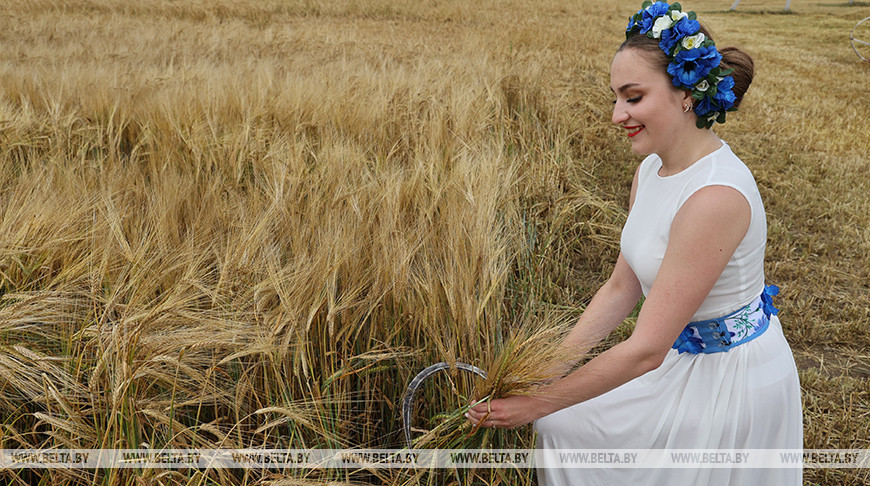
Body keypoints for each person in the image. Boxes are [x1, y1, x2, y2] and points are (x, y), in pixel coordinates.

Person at [465, 2, 802, 484]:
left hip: (730, 381)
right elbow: (620, 288)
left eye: (633, 97)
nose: (617, 114)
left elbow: (646, 349)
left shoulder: (715, 197)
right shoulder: (650, 171)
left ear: (686, 93)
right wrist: (541, 373)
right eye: (616, 97)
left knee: (559, 420)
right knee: (563, 425)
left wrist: (537, 403)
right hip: (681, 359)